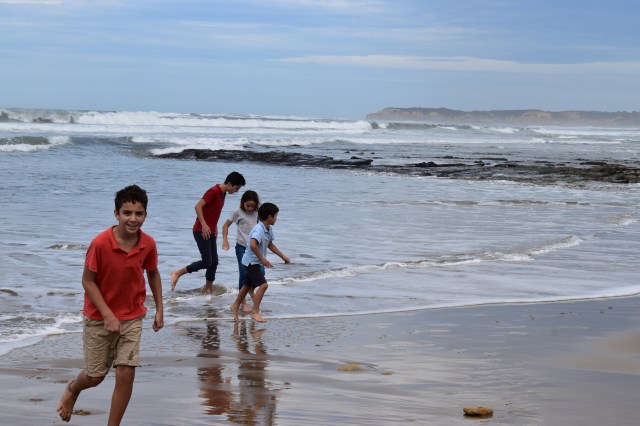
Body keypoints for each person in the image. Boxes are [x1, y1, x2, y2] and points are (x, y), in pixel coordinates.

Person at [57, 185, 164, 425]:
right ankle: (73, 389)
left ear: (146, 215)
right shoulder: (100, 243)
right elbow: (87, 281)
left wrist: (160, 309)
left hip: (132, 316)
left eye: (139, 214)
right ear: (116, 214)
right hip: (98, 317)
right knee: (95, 377)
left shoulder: (148, 243)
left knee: (126, 372)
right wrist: (107, 314)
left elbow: (153, 273)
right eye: (127, 213)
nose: (133, 219)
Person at [171, 171, 245, 293]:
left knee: (214, 262)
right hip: (201, 230)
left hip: (210, 230)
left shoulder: (223, 193)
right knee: (207, 261)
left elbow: (212, 211)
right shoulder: (214, 191)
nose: (237, 191)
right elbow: (198, 206)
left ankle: (208, 288)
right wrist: (204, 225)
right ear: (229, 184)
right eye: (236, 188)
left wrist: (214, 226)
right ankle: (178, 273)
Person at [230, 202, 290, 323]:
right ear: (270, 217)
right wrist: (263, 259)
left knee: (247, 285)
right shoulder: (259, 229)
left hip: (254, 262)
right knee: (263, 285)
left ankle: (235, 305)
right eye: (276, 216)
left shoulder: (268, 229)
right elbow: (253, 245)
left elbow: (270, 244)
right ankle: (255, 311)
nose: (276, 218)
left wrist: (283, 256)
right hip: (251, 262)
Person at [221, 190, 261, 313]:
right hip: (241, 247)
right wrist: (225, 240)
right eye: (247, 206)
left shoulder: (258, 213)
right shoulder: (237, 212)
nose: (250, 209)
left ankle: (250, 289)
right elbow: (225, 225)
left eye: (252, 206)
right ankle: (243, 303)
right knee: (243, 273)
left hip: (255, 248)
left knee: (260, 273)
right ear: (242, 203)